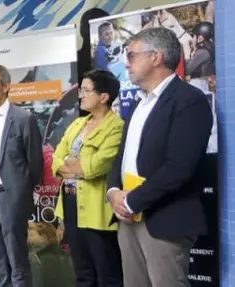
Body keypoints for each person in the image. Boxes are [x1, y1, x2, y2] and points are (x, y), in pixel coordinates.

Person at [106, 27, 213, 287]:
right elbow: (122, 156)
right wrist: (113, 191)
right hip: (128, 218)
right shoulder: (138, 104)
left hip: (163, 220)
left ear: (156, 57)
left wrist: (132, 201)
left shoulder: (189, 100)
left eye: (131, 55)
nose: (125, 62)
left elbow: (179, 167)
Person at [52, 69, 124, 287]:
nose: (81, 95)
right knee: (82, 273)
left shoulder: (117, 127)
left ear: (103, 97)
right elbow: (56, 157)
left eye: (86, 90)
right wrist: (73, 167)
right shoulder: (77, 124)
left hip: (97, 209)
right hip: (70, 204)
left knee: (107, 275)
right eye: (80, 90)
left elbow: (96, 166)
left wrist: (76, 166)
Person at [0, 64, 43, 287]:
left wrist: (19, 194)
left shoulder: (23, 119)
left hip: (11, 198)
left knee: (17, 262)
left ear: (5, 87)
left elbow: (35, 164)